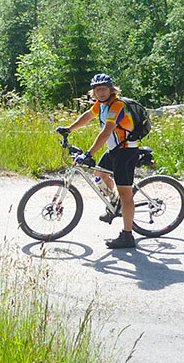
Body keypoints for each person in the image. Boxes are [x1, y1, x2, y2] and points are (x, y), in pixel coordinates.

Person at [56, 73, 139, 249]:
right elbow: (88, 115)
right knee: (99, 174)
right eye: (97, 90)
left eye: (104, 89)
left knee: (126, 194)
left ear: (111, 89)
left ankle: (127, 235)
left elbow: (106, 132)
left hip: (126, 151)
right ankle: (114, 204)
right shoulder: (101, 105)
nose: (100, 92)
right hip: (114, 149)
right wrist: (69, 129)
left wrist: (89, 153)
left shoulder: (116, 105)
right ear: (94, 92)